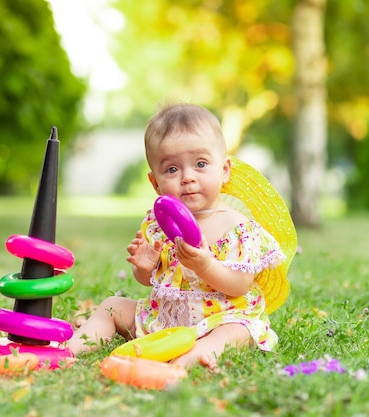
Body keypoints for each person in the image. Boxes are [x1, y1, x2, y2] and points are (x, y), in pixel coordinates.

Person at [67, 102, 297, 369]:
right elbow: (148, 280)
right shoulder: (158, 224)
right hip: (165, 318)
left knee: (237, 330)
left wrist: (206, 265)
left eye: (200, 164)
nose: (187, 177)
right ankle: (69, 350)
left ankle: (186, 360)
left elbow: (239, 286)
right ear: (155, 183)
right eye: (172, 169)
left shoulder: (237, 227)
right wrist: (144, 267)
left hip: (220, 318)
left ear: (224, 170)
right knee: (113, 306)